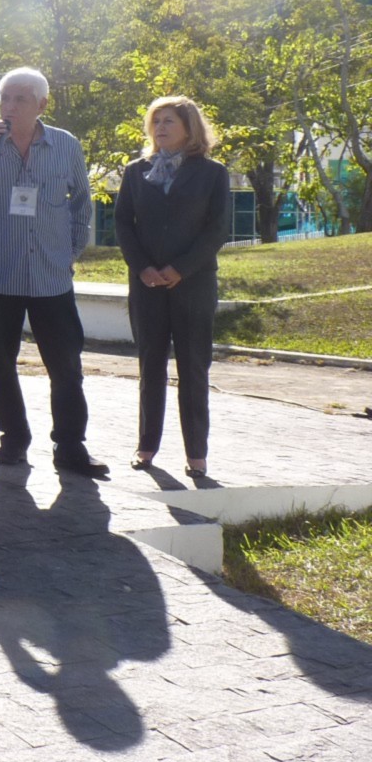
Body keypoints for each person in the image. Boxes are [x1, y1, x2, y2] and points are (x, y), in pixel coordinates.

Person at [0, 67, 109, 478]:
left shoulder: (66, 145)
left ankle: (70, 446)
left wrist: (70, 251)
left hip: (51, 275)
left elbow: (82, 203)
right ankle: (13, 439)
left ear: (42, 105)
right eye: (5, 98)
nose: (10, 106)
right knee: (0, 361)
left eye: (20, 99)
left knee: (66, 364)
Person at [115, 96, 230, 478]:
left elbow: (217, 229)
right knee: (150, 366)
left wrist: (181, 268)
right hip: (146, 284)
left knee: (193, 368)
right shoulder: (136, 171)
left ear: (189, 127)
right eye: (156, 121)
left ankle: (197, 454)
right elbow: (123, 224)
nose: (160, 127)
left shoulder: (212, 173)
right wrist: (143, 268)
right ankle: (146, 446)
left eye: (169, 121)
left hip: (193, 285)